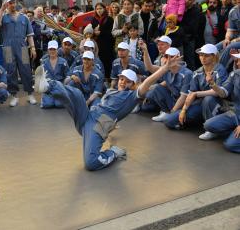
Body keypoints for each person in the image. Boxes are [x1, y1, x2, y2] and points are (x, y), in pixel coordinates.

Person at [34, 51, 182, 171]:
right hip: (87, 116)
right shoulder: (111, 91)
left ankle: (113, 152)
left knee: (91, 163)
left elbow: (147, 83)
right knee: (76, 95)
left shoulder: (132, 96)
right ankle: (48, 86)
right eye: (121, 79)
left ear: (133, 85)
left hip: (99, 126)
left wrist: (164, 68)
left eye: (127, 81)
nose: (122, 82)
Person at [163, 44, 228, 130]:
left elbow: (219, 92)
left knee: (208, 99)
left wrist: (197, 93)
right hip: (200, 103)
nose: (203, 58)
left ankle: (211, 129)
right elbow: (191, 93)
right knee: (169, 120)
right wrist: (184, 110)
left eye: (206, 55)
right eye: (201, 55)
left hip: (217, 103)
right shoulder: (198, 72)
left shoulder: (220, 69)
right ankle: (196, 122)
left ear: (214, 56)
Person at [0, 0, 37, 107]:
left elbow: (30, 35)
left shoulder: (24, 17)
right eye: (10, 3)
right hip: (8, 48)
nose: (12, 5)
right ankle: (14, 95)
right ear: (6, 4)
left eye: (13, 2)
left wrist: (32, 48)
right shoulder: (3, 17)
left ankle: (30, 94)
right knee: (11, 71)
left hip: (22, 46)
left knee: (26, 70)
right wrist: (1, 10)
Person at [140, 46, 193, 122]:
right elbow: (150, 67)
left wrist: (173, 112)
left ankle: (172, 116)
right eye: (166, 56)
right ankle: (165, 112)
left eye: (172, 57)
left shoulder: (187, 73)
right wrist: (145, 51)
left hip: (185, 105)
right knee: (156, 88)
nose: (169, 59)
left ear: (179, 58)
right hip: (173, 100)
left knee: (170, 121)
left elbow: (183, 97)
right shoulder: (166, 69)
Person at [202, 52, 240, 152]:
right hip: (236, 114)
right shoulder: (235, 74)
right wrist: (213, 84)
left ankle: (234, 137)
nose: (238, 63)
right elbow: (223, 93)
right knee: (209, 125)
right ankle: (234, 133)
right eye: (237, 60)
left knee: (230, 145)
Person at [39, 41, 69, 108]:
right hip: (48, 87)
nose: (52, 51)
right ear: (48, 50)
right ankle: (45, 97)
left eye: (54, 49)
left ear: (57, 50)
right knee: (47, 105)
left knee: (59, 105)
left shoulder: (63, 62)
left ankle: (62, 96)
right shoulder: (43, 62)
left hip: (59, 87)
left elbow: (68, 75)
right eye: (50, 49)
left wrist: (64, 86)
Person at [91, 2, 115, 79]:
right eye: (97, 9)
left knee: (107, 62)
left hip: (107, 44)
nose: (99, 10)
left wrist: (100, 32)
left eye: (100, 8)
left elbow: (111, 32)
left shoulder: (109, 19)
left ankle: (108, 77)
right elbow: (91, 31)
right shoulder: (94, 19)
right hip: (97, 44)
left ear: (104, 9)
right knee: (99, 61)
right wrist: (94, 33)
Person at [180, 0, 203, 70]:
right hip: (180, 39)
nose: (187, 1)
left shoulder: (196, 11)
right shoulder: (181, 9)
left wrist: (180, 29)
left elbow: (192, 27)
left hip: (189, 39)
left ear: (193, 1)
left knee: (190, 60)